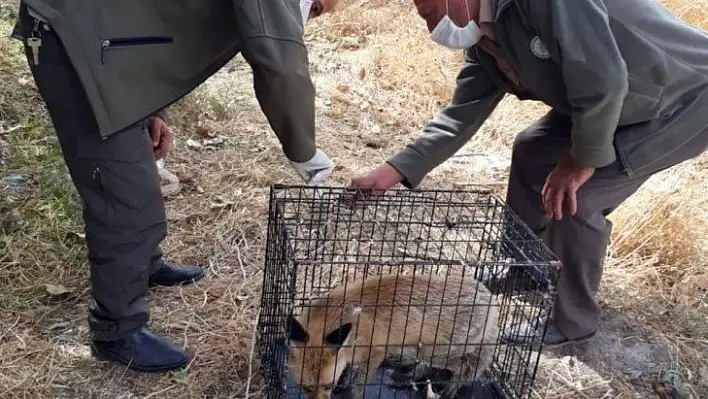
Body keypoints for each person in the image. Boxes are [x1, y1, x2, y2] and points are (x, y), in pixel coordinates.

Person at [350, 0, 708, 348]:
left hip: (679, 100)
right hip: (612, 102)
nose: (432, 29)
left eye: (429, 13)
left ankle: (572, 324)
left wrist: (579, 160)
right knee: (532, 149)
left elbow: (604, 78)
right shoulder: (485, 40)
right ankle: (525, 266)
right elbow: (462, 113)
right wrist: (395, 170)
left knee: (579, 198)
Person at [10, 0, 337, 373]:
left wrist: (152, 111)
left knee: (137, 169)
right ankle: (116, 328)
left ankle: (140, 267)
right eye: (314, 11)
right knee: (124, 193)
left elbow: (153, 17)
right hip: (74, 39)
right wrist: (303, 151)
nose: (307, 19)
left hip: (107, 43)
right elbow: (277, 57)